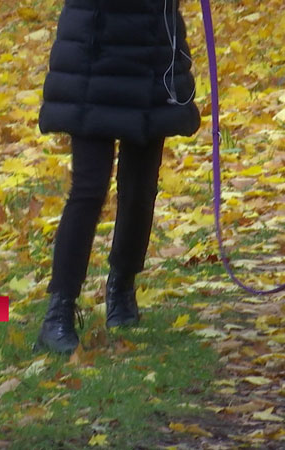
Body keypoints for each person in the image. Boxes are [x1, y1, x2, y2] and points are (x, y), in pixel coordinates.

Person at [34, 0, 200, 354]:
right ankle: (58, 312)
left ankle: (122, 289)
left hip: (152, 52)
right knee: (89, 188)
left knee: (140, 188)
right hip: (93, 53)